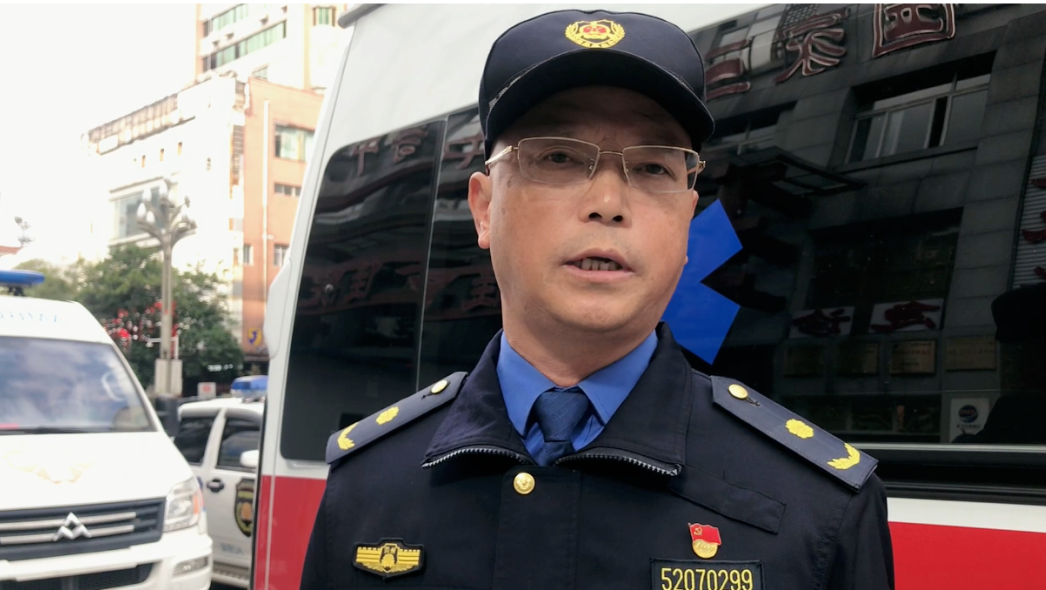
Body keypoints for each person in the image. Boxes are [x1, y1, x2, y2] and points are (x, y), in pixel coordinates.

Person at [300, 9, 894, 590]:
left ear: (687, 219)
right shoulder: (367, 484)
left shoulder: (820, 509)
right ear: (484, 208)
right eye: (558, 157)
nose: (608, 203)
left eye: (653, 167)